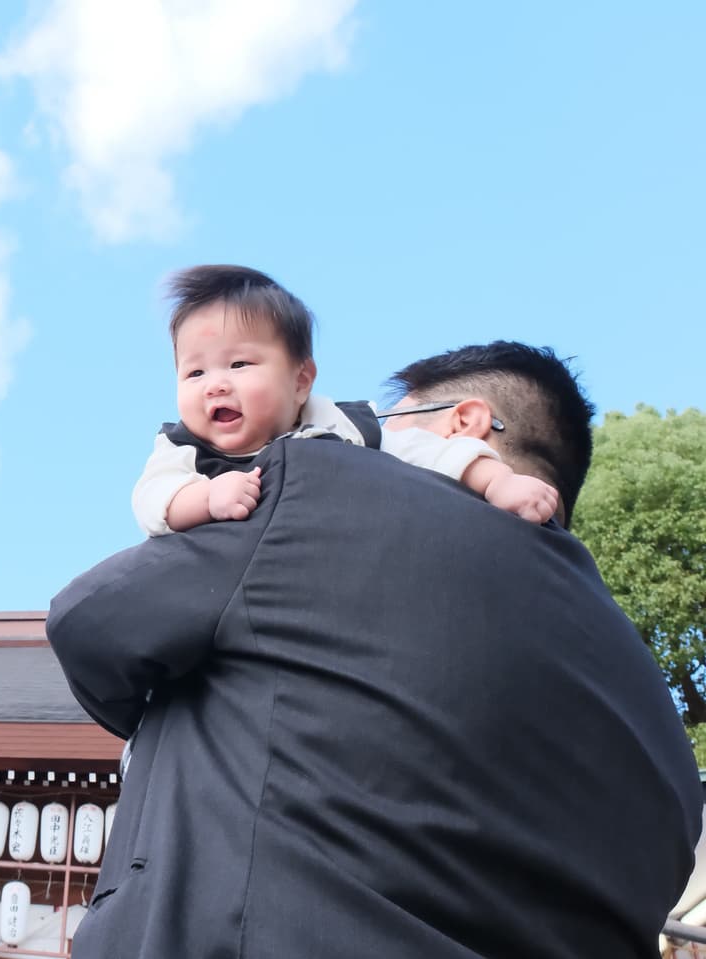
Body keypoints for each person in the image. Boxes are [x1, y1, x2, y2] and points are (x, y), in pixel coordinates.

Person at [47, 340, 701, 958]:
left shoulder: (319, 484)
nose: (370, 434)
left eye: (390, 419)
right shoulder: (665, 742)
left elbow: (90, 620)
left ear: (464, 423)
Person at [133, 265, 558, 535]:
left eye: (239, 364)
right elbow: (152, 499)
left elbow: (432, 452)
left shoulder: (349, 428)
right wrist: (204, 500)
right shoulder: (184, 450)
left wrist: (498, 481)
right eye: (195, 372)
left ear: (301, 380)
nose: (215, 385)